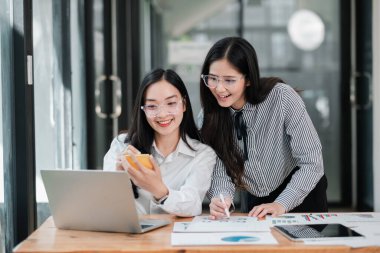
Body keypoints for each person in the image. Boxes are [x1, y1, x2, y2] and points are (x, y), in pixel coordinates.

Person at [199, 37, 328, 219]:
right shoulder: (208, 116)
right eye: (213, 79)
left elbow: (312, 162)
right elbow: (220, 170)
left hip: (301, 190)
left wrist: (281, 204)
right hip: (255, 199)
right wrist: (222, 198)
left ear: (249, 79)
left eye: (229, 80)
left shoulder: (282, 98)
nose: (219, 89)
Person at [104, 68, 216, 217]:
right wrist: (117, 180)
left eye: (171, 103)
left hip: (174, 236)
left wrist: (158, 189)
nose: (162, 114)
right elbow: (105, 203)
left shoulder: (202, 154)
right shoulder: (121, 145)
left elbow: (192, 205)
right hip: (128, 236)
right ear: (143, 110)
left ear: (184, 104)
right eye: (151, 106)